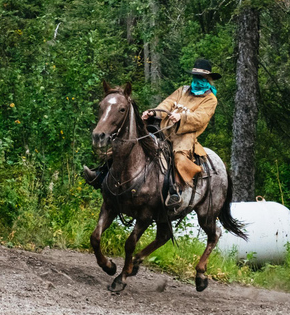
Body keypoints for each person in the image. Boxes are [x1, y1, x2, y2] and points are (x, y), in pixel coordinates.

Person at [84, 58, 220, 207]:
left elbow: (201, 118)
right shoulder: (183, 90)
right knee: (131, 142)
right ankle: (102, 173)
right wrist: (153, 112)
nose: (197, 79)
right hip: (164, 126)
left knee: (180, 156)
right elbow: (167, 103)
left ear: (208, 79)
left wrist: (181, 117)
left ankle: (175, 191)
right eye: (195, 76)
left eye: (200, 77)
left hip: (185, 134)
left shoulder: (210, 99)